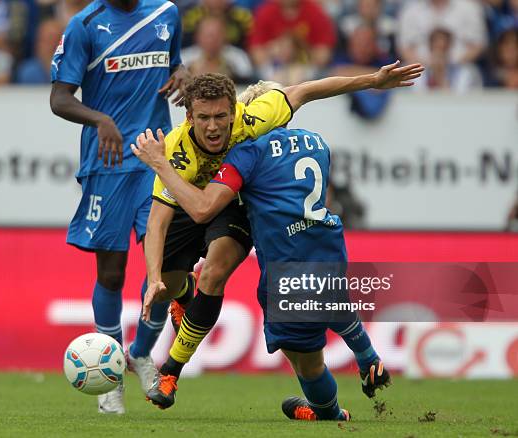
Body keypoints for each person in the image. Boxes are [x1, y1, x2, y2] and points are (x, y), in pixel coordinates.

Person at [132, 62, 422, 410]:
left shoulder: (256, 121)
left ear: (235, 110)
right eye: (203, 118)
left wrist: (373, 80)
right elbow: (158, 221)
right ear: (190, 117)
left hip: (228, 203)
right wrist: (152, 279)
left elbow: (308, 88)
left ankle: (170, 373)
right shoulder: (177, 150)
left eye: (221, 116)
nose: (212, 126)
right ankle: (184, 292)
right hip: (188, 195)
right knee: (170, 278)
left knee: (215, 271)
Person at [48, 0, 189, 415]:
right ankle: (109, 376)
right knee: (111, 272)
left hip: (156, 158)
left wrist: (180, 73)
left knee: (166, 267)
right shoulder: (84, 25)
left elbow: (174, 65)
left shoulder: (166, 13)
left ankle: (141, 353)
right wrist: (99, 119)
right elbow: (59, 98)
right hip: (107, 163)